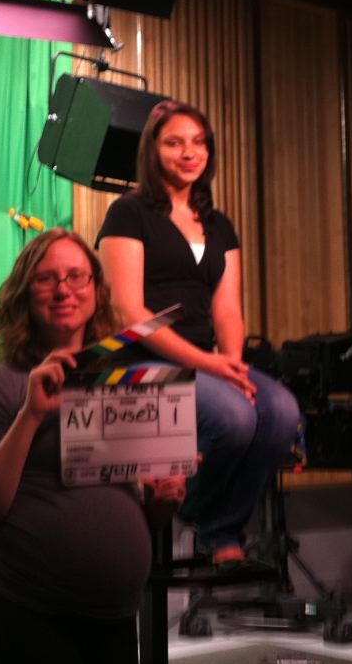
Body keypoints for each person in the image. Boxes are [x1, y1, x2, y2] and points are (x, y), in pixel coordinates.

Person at [0, 227, 185, 664]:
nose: (64, 289)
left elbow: (126, 508)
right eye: (47, 279)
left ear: (96, 290)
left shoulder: (117, 386)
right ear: (22, 296)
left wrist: (162, 501)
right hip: (26, 617)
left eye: (77, 276)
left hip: (114, 624)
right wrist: (32, 414)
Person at [96, 100, 301, 566]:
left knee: (281, 412)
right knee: (233, 418)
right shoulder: (128, 212)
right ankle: (197, 512)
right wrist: (210, 364)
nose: (189, 152)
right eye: (174, 143)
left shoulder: (218, 223)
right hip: (141, 360)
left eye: (198, 142)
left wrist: (234, 366)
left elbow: (228, 308)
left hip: (206, 361)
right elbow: (131, 312)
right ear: (153, 150)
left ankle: (221, 526)